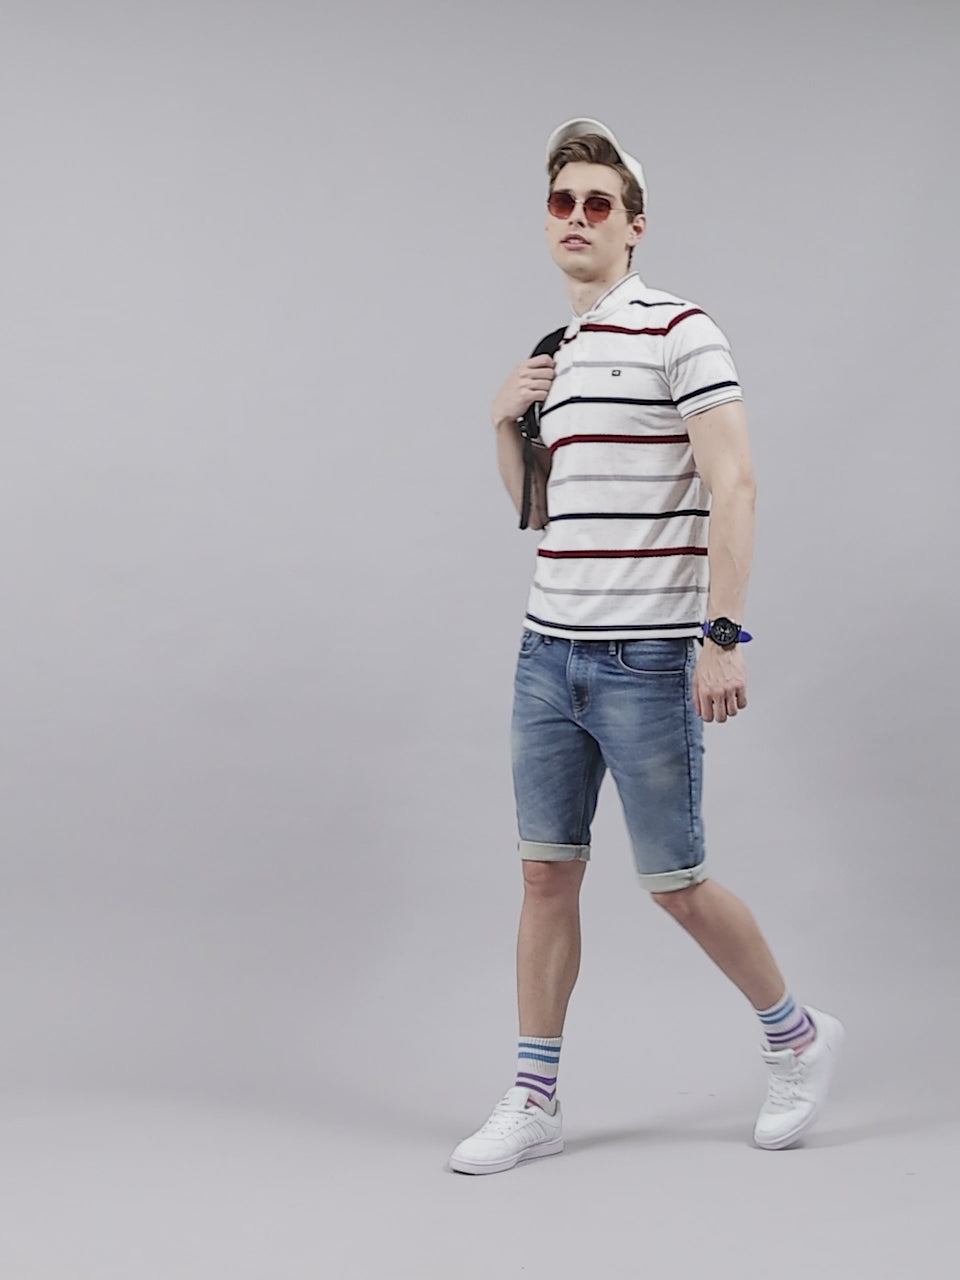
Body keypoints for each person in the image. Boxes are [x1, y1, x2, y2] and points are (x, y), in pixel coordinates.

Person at [448, 118, 843, 1176]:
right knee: (545, 877)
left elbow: (735, 484)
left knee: (675, 881)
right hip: (547, 655)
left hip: (646, 658)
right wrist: (502, 423)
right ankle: (535, 1097)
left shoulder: (682, 330)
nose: (576, 219)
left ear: (634, 225)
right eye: (561, 203)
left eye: (598, 204)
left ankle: (797, 1038)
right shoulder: (558, 351)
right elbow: (542, 514)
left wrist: (723, 636)